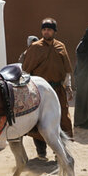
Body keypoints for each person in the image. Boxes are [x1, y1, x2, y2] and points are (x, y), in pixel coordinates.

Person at [22, 17, 73, 157]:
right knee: (39, 121)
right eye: (44, 29)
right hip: (40, 92)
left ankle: (60, 153)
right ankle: (41, 152)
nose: (46, 32)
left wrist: (68, 86)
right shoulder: (35, 47)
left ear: (54, 31)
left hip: (57, 90)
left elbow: (67, 70)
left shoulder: (60, 46)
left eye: (49, 30)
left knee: (62, 119)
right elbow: (25, 71)